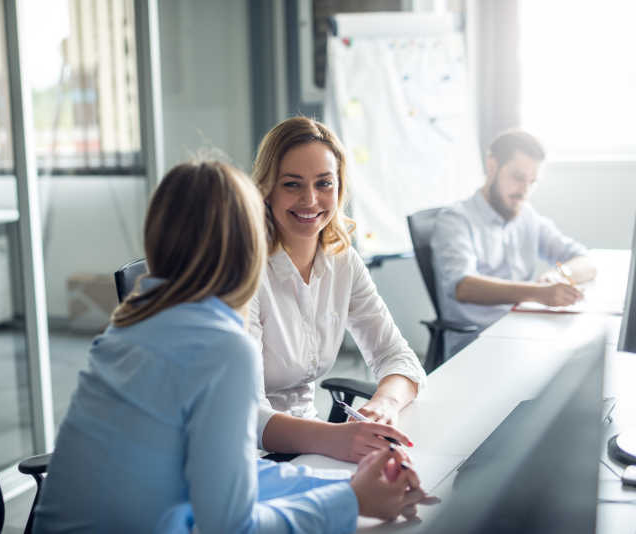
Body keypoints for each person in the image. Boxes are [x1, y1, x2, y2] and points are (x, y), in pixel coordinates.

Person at [32, 160, 435, 533]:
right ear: (250, 246)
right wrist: (351, 500)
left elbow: (227, 474)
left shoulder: (131, 325)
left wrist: (350, 484)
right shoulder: (220, 348)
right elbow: (232, 526)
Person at [249, 117, 427, 463]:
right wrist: (337, 440)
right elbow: (245, 417)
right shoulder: (243, 271)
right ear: (266, 189)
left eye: (324, 183)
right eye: (292, 184)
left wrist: (383, 406)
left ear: (339, 187)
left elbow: (399, 357)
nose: (310, 200)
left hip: (308, 447)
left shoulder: (341, 261)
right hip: (246, 460)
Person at [431, 129, 596, 359]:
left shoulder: (526, 215)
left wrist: (558, 276)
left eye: (532, 182)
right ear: (492, 166)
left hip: (522, 333)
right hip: (477, 345)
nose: (525, 191)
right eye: (518, 178)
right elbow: (463, 286)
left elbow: (585, 260)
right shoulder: (455, 220)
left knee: (582, 359)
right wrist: (539, 293)